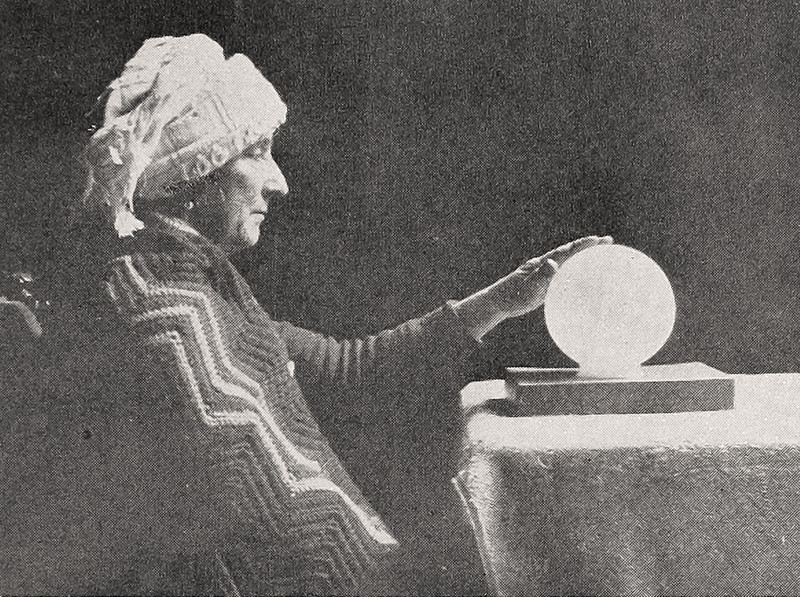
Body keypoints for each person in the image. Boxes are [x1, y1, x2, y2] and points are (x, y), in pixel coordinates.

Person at [1, 34, 610, 595]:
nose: (279, 183)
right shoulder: (162, 314)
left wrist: (505, 298)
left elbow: (345, 367)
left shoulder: (195, 283)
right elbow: (273, 535)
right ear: (195, 174)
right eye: (257, 154)